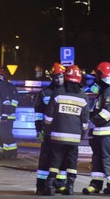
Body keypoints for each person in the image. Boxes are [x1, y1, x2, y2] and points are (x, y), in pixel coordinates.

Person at [42, 64, 91, 196]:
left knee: (55, 161)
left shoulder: (58, 93)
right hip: (74, 138)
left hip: (57, 136)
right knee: (72, 163)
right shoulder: (83, 96)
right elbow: (85, 121)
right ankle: (70, 187)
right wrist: (82, 135)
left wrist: (47, 130)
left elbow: (49, 115)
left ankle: (50, 186)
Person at [83, 61, 110, 195]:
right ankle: (96, 184)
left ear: (102, 75)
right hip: (100, 131)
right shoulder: (104, 91)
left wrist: (92, 118)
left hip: (107, 132)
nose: (96, 78)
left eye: (98, 75)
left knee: (107, 158)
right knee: (97, 159)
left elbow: (107, 114)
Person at [34, 63, 67, 195]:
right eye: (56, 77)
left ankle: (59, 184)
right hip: (48, 132)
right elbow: (38, 113)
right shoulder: (44, 93)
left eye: (60, 76)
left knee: (62, 159)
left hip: (62, 132)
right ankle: (41, 185)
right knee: (45, 160)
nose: (58, 79)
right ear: (51, 78)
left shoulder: (67, 92)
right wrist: (39, 130)